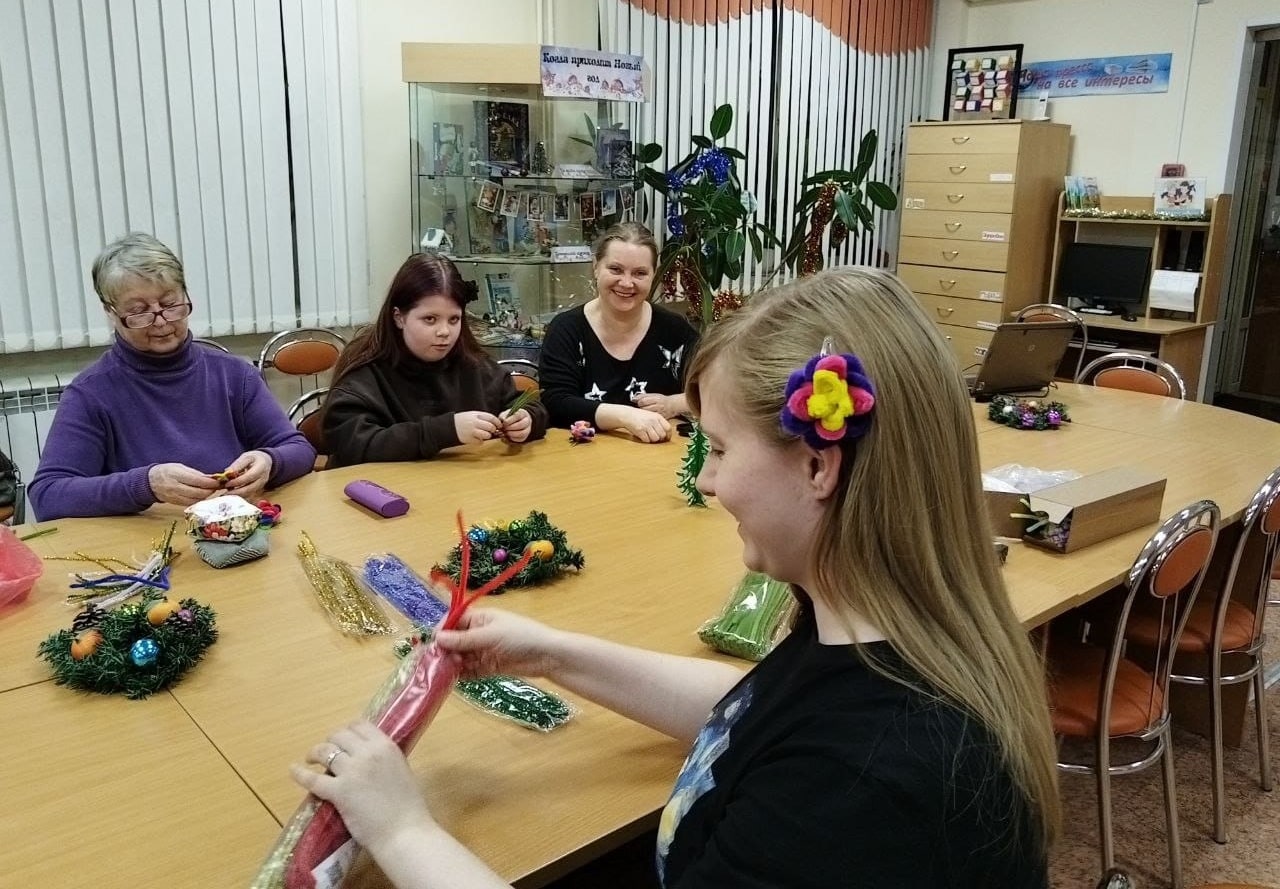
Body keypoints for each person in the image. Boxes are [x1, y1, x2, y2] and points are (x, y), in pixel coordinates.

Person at [293, 267, 1060, 887]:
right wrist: (551, 652)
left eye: (718, 448)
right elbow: (754, 707)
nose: (709, 480)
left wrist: (401, 828)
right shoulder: (876, 632)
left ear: (819, 465)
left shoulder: (860, 785)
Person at [29, 233, 316, 521]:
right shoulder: (91, 393)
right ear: (110, 312)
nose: (161, 321)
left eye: (170, 304)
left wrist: (270, 461)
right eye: (139, 311)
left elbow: (299, 450)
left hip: (233, 530)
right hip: (149, 539)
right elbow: (48, 496)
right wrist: (146, 484)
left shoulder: (234, 374)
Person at [321, 254, 548, 468]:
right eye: (430, 319)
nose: (444, 332)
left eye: (454, 319)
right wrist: (446, 431)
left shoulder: (474, 365)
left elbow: (526, 404)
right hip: (385, 491)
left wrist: (526, 419)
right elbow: (352, 445)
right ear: (399, 317)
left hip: (463, 486)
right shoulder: (365, 374)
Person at [538, 222, 699, 443]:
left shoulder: (675, 329)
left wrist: (674, 404)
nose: (626, 283)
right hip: (580, 456)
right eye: (615, 269)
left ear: (654, 275)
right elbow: (555, 403)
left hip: (656, 455)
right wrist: (625, 416)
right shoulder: (566, 329)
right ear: (596, 267)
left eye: (640, 273)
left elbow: (721, 388)